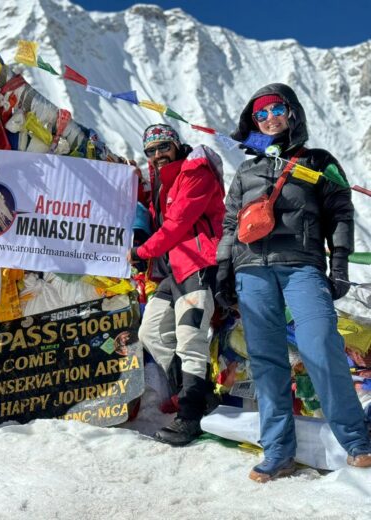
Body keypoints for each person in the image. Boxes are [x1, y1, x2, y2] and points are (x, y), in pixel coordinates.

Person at [216, 83, 371, 483]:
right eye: (260, 114)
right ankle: (278, 452)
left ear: (292, 112)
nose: (269, 118)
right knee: (266, 361)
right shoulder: (247, 169)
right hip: (251, 270)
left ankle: (358, 440)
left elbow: (340, 212)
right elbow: (231, 222)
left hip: (302, 265)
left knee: (320, 343)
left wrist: (338, 264)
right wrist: (223, 269)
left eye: (276, 109)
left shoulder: (319, 161)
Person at [128, 123, 225, 446]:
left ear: (177, 145)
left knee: (190, 338)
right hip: (174, 270)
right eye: (151, 151)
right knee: (151, 332)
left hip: (200, 264)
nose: (157, 155)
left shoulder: (196, 171)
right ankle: (197, 393)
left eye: (163, 147)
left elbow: (178, 222)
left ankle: (189, 416)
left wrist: (142, 251)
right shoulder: (163, 183)